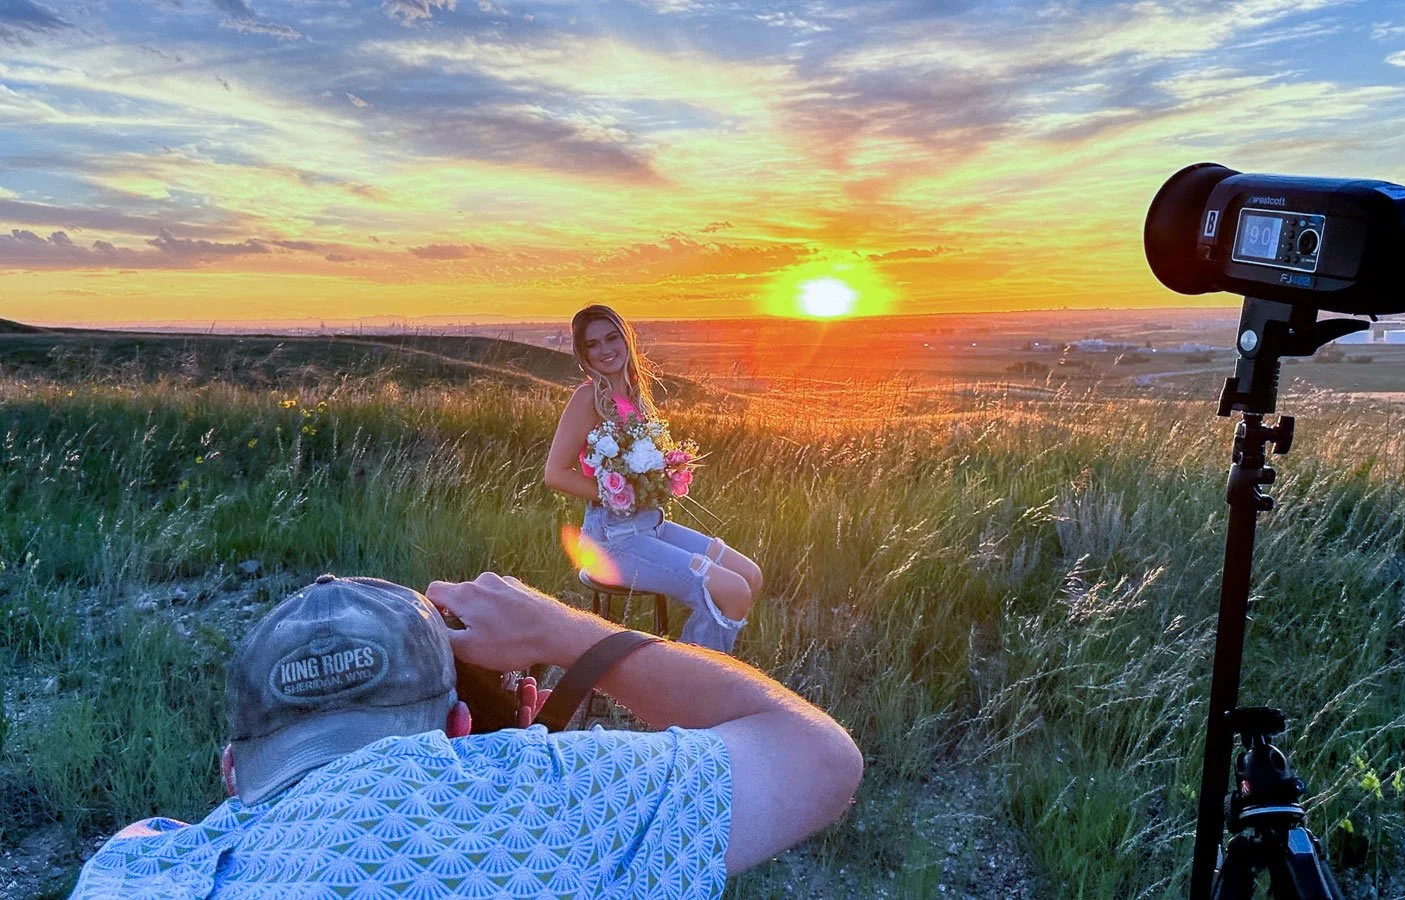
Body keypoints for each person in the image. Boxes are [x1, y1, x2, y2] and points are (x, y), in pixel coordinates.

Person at [71, 572, 863, 898]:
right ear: (458, 726)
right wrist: (563, 629)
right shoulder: (548, 797)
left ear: (231, 769)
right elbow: (818, 758)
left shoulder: (135, 870)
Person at [544, 304, 762, 653]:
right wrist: (617, 494)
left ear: (625, 338)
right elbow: (554, 473)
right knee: (732, 591)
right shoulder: (588, 398)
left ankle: (695, 664)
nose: (606, 350)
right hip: (611, 539)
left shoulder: (634, 396)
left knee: (749, 575)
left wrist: (664, 475)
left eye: (612, 338)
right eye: (594, 344)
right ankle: (689, 689)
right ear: (584, 354)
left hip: (650, 526)